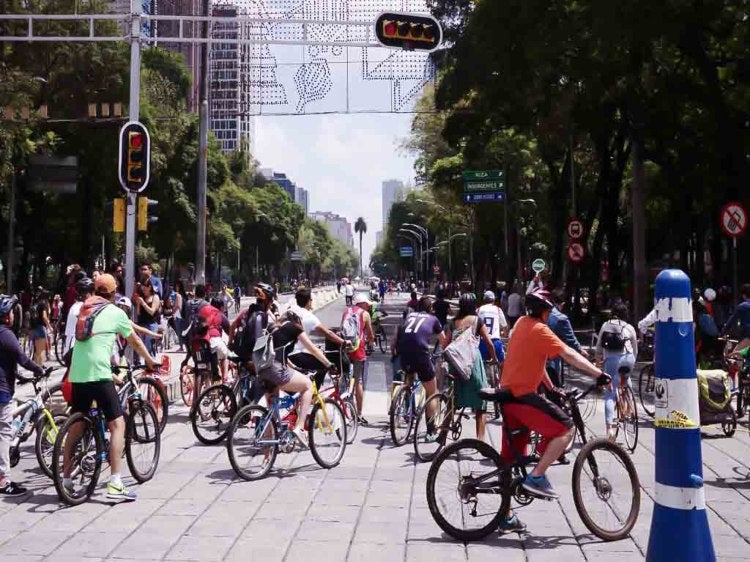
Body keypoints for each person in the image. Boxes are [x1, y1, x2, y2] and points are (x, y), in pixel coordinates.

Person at [499, 288, 609, 510]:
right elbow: (569, 353)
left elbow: (532, 362)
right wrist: (598, 374)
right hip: (523, 397)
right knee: (566, 429)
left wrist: (551, 388)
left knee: (511, 459)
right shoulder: (541, 330)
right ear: (546, 312)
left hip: (508, 396)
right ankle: (537, 476)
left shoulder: (521, 323)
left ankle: (505, 516)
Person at [62, 274, 156, 501]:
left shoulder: (84, 308)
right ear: (114, 293)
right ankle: (115, 483)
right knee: (117, 424)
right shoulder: (115, 312)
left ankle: (64, 478)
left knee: (76, 424)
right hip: (99, 374)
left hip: (77, 373)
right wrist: (150, 361)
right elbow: (134, 340)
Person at [259, 309, 337, 447]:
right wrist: (328, 363)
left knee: (271, 414)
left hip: (262, 370)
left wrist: (294, 369)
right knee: (307, 386)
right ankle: (300, 428)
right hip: (276, 370)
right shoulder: (294, 328)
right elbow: (312, 348)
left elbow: (278, 354)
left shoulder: (273, 328)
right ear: (297, 320)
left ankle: (267, 458)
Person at [0, 294, 46, 495]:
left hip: (5, 384)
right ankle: (3, 479)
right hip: (1, 391)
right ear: (7, 316)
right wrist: (40, 370)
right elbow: (22, 358)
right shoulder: (6, 333)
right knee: (4, 432)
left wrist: (17, 375)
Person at [442, 293, 497, 442]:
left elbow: (444, 344)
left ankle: (442, 435)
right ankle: (480, 441)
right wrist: (494, 358)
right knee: (481, 403)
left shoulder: (453, 322)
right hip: (472, 364)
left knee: (453, 402)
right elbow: (489, 343)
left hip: (456, 365)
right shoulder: (477, 321)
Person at [394, 296, 446, 440]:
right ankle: (430, 431)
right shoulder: (433, 319)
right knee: (432, 391)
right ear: (431, 308)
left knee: (410, 376)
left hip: (403, 353)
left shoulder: (410, 316)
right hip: (420, 354)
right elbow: (443, 341)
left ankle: (405, 401)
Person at [287, 287, 347, 389]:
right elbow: (328, 333)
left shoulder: (290, 311)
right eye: (311, 300)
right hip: (295, 354)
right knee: (324, 364)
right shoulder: (309, 316)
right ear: (308, 302)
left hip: (284, 354)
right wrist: (343, 341)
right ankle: (313, 392)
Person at [595, 303, 638, 441]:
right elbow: (635, 348)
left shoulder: (605, 325)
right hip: (628, 358)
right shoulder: (629, 327)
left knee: (610, 394)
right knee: (625, 377)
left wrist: (598, 362)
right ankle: (629, 405)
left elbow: (598, 348)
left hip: (612, 360)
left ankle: (610, 430)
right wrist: (633, 361)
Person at [341, 293, 374, 424]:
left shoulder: (346, 312)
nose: (368, 306)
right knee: (358, 381)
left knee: (344, 378)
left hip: (345, 348)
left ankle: (343, 409)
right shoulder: (365, 314)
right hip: (358, 349)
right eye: (367, 304)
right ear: (362, 303)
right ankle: (359, 414)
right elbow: (370, 334)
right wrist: (371, 343)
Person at [547, 289, 587, 387]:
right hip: (554, 356)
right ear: (562, 304)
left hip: (539, 355)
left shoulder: (543, 314)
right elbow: (571, 339)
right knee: (556, 385)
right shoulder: (561, 318)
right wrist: (581, 350)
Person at [63, 277, 95, 355]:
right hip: (75, 346)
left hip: (75, 345)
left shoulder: (77, 305)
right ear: (88, 293)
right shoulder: (80, 307)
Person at [134, 277, 161, 356]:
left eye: (145, 289)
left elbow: (152, 312)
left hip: (151, 324)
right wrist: (138, 304)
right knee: (143, 348)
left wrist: (143, 303)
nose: (143, 291)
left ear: (149, 287)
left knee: (149, 347)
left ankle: (152, 366)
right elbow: (139, 313)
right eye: (142, 290)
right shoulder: (142, 297)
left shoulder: (155, 297)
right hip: (142, 324)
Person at [29, 290, 52, 365]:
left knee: (36, 351)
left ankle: (36, 368)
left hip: (34, 327)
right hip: (41, 328)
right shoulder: (44, 304)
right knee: (42, 351)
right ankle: (41, 369)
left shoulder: (37, 303)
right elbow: (44, 317)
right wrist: (49, 326)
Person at [726, 284, 750, 352]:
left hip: (747, 335)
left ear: (744, 295)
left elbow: (732, 320)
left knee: (736, 354)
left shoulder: (742, 306)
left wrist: (723, 332)